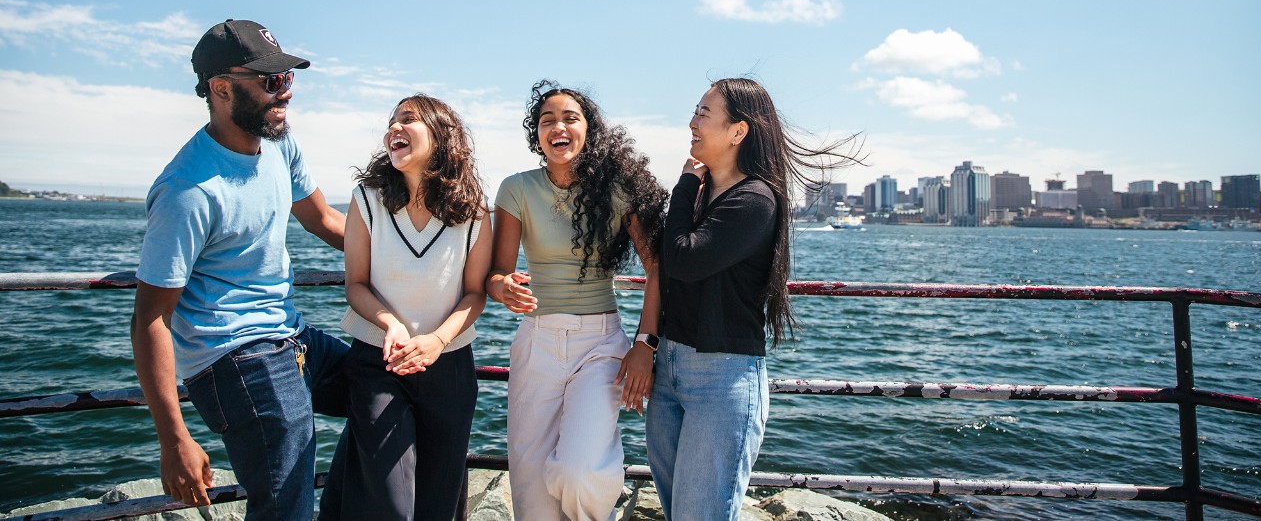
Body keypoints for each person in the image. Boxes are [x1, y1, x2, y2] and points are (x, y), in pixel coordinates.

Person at [131, 19, 349, 521]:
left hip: (289, 335)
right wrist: (174, 440)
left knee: (387, 389)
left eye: (288, 79)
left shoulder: (278, 143)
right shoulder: (188, 190)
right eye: (271, 81)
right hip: (233, 356)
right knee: (286, 505)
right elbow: (150, 321)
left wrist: (424, 265)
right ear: (221, 88)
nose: (286, 93)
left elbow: (325, 220)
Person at [646, 77, 862, 520]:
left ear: (738, 131)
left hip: (721, 380)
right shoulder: (708, 195)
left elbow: (682, 259)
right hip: (669, 367)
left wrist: (685, 181)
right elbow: (669, 269)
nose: (692, 123)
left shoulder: (754, 199)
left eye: (704, 114)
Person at [488, 80, 667, 521]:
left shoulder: (618, 189)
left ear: (589, 131)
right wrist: (502, 288)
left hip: (601, 346)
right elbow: (496, 273)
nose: (558, 126)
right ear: (537, 136)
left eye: (570, 118)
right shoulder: (516, 189)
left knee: (579, 471)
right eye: (547, 120)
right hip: (538, 342)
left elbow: (657, 267)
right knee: (530, 495)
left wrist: (645, 344)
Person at [328, 95, 493, 520]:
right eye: (392, 121)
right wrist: (391, 326)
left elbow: (475, 293)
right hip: (379, 363)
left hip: (450, 367)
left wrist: (438, 340)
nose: (395, 129)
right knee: (389, 503)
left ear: (440, 136)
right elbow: (356, 285)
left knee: (437, 505)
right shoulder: (367, 198)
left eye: (409, 120)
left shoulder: (473, 209)